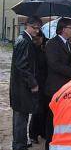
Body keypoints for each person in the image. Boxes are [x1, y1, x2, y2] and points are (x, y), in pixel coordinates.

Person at [9, 16, 42, 150]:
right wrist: (33, 83)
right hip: (21, 87)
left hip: (21, 87)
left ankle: (21, 142)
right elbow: (22, 66)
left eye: (38, 28)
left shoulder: (27, 40)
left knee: (22, 116)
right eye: (35, 28)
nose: (37, 31)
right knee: (20, 118)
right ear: (27, 25)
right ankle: (19, 145)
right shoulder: (24, 41)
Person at [44, 17, 71, 150]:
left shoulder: (69, 44)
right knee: (52, 119)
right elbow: (54, 64)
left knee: (62, 119)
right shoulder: (52, 43)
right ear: (64, 29)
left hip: (65, 88)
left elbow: (69, 62)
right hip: (54, 87)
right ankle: (49, 145)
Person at [28, 30, 48, 144]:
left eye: (38, 39)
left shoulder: (45, 47)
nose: (37, 41)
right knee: (37, 110)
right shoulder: (33, 49)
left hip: (45, 82)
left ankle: (42, 131)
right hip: (37, 82)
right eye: (35, 39)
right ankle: (33, 134)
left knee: (44, 109)